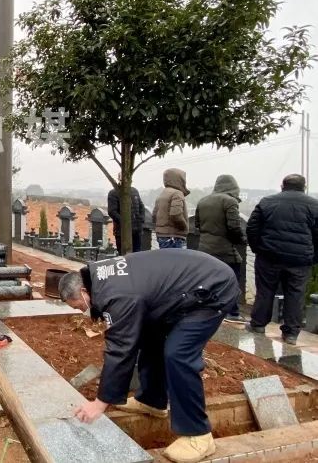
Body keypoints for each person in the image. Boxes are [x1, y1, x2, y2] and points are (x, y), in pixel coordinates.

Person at [60, 250, 238, 463]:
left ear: (83, 291)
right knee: (149, 336)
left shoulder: (117, 294)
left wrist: (100, 403)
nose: (83, 311)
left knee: (178, 354)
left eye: (80, 306)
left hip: (211, 289)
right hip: (186, 287)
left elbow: (120, 348)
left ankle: (199, 435)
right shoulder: (101, 279)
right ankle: (152, 400)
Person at [246, 174, 318, 345]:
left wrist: (259, 249)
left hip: (269, 256)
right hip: (300, 260)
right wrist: (312, 256)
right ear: (304, 187)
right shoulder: (314, 205)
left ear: (282, 186)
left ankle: (258, 324)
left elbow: (252, 228)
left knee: (265, 290)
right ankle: (291, 333)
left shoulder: (267, 202)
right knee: (296, 294)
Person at [195, 174, 247, 324]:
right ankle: (232, 312)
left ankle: (207, 308)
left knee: (207, 280)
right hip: (225, 250)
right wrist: (242, 241)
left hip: (204, 249)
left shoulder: (203, 201)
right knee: (232, 280)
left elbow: (197, 224)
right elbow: (234, 227)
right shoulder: (229, 201)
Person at [107, 174, 146, 253]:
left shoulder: (134, 191)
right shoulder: (114, 193)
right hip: (122, 232)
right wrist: (125, 223)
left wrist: (141, 219)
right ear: (119, 179)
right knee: (124, 255)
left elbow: (141, 206)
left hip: (137, 230)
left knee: (137, 253)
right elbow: (112, 211)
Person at [153, 168, 190, 248]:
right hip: (173, 236)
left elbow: (154, 215)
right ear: (179, 179)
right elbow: (176, 214)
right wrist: (184, 227)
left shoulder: (162, 194)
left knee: (165, 259)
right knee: (176, 260)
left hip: (162, 236)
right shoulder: (177, 193)